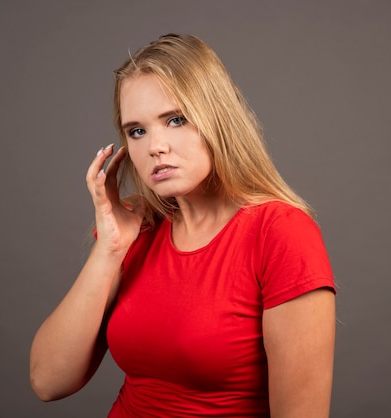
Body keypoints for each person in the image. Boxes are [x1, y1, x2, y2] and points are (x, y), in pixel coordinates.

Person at [30, 33, 336, 417]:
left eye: (175, 120)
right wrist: (110, 249)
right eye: (136, 130)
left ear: (218, 120)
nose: (155, 146)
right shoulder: (135, 227)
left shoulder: (280, 232)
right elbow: (48, 381)